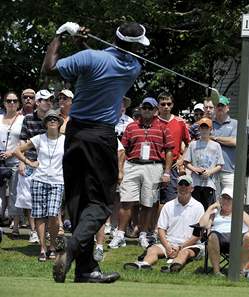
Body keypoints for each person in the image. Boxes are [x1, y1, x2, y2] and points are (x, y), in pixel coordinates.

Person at [42, 21, 149, 283]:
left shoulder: (90, 58)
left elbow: (50, 68)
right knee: (100, 203)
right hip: (100, 137)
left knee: (79, 202)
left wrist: (61, 35)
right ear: (135, 47)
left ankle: (85, 269)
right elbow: (103, 64)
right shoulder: (133, 68)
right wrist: (83, 44)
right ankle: (72, 247)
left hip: (75, 133)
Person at [109, 97, 173, 249]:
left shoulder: (163, 127)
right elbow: (123, 150)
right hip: (133, 165)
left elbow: (169, 151)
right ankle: (120, 234)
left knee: (148, 203)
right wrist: (120, 169)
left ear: (155, 110)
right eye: (145, 107)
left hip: (153, 166)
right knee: (126, 201)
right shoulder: (131, 127)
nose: (147, 110)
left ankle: (143, 234)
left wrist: (167, 172)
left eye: (150, 108)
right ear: (140, 109)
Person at [123, 175, 204, 272]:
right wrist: (167, 246)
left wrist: (180, 247)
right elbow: (161, 229)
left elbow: (198, 235)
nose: (183, 187)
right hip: (169, 243)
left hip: (190, 245)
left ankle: (173, 267)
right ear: (177, 187)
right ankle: (144, 264)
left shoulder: (198, 207)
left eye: (186, 185)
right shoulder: (168, 205)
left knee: (184, 253)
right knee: (152, 250)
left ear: (192, 188)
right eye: (180, 184)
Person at [14, 110, 65, 262]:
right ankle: (43, 248)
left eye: (55, 119)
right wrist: (30, 163)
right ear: (45, 123)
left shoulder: (65, 140)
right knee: (40, 215)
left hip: (57, 181)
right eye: (49, 119)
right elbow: (17, 151)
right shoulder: (39, 138)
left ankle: (53, 246)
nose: (52, 121)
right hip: (39, 180)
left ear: (59, 122)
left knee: (53, 214)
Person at [14, 89, 52, 242]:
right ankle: (33, 231)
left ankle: (47, 230)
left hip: (47, 164)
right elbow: (23, 140)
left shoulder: (53, 118)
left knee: (46, 199)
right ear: (38, 102)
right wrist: (22, 162)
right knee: (29, 200)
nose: (48, 102)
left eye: (50, 99)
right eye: (45, 100)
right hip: (30, 162)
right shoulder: (28, 118)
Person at [199, 188, 249, 276]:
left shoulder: (240, 212)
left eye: (229, 199)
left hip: (238, 240)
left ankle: (241, 271)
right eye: (224, 198)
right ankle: (217, 272)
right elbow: (202, 224)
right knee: (212, 236)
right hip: (219, 240)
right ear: (220, 200)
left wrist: (248, 233)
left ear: (234, 201)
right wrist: (211, 207)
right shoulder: (215, 213)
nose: (226, 201)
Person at [158, 92, 190, 207]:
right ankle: (152, 225)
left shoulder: (180, 122)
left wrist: (183, 159)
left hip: (172, 167)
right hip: (155, 164)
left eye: (168, 104)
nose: (166, 106)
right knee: (152, 201)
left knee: (170, 201)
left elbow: (188, 143)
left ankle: (166, 225)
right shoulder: (154, 122)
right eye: (163, 104)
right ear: (158, 106)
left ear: (172, 105)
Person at [184, 117, 224, 210]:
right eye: (202, 128)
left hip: (209, 183)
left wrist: (210, 172)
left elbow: (220, 165)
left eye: (207, 128)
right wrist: (195, 169)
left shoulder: (216, 145)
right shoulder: (193, 144)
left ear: (211, 130)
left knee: (208, 208)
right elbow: (186, 162)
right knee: (194, 208)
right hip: (195, 183)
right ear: (199, 129)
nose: (204, 130)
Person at [0, 92, 24, 237]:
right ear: (4, 103)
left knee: (15, 193)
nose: (12, 103)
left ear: (18, 104)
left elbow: (24, 140)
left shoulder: (23, 119)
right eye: (9, 101)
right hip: (0, 161)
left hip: (15, 159)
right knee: (0, 194)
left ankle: (15, 225)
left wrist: (12, 153)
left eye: (15, 101)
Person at [210, 95, 237, 194]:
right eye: (218, 105)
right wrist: (225, 140)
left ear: (228, 107)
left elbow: (234, 142)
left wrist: (215, 138)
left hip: (229, 171)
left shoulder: (235, 123)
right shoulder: (209, 123)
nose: (220, 108)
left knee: (229, 200)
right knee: (213, 201)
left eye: (222, 105)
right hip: (212, 170)